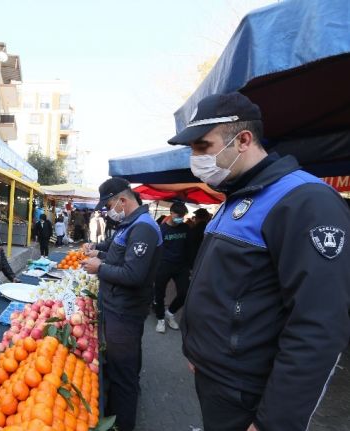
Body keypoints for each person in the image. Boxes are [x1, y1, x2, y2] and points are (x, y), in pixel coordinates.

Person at [169, 92, 350, 431]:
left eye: (203, 146)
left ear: (243, 140)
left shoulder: (304, 201)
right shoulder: (235, 197)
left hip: (251, 395)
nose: (195, 158)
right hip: (219, 382)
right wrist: (202, 353)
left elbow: (319, 326)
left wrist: (274, 423)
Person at [81, 177, 162, 431]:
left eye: (109, 206)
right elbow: (119, 257)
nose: (108, 212)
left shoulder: (144, 228)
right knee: (121, 368)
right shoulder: (131, 225)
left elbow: (133, 275)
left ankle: (123, 424)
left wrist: (100, 267)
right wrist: (100, 254)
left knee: (123, 377)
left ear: (122, 200)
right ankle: (117, 414)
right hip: (117, 308)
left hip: (125, 312)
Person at [153, 201, 190, 333]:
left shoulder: (185, 228)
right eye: (178, 215)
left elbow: (188, 248)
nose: (181, 217)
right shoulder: (161, 230)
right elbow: (155, 250)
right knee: (159, 294)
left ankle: (170, 313)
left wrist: (189, 265)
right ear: (171, 213)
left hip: (181, 266)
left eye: (183, 215)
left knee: (185, 292)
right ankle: (160, 319)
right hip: (163, 265)